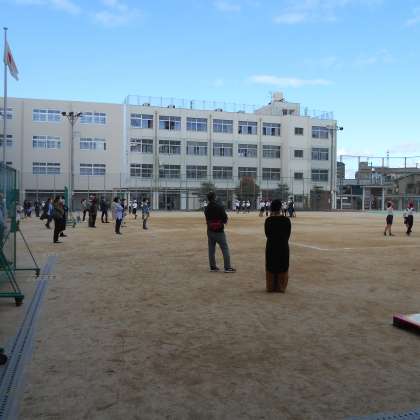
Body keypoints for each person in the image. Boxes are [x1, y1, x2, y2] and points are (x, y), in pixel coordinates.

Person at [204, 191, 236, 273]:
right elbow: (225, 218)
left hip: (210, 230)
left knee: (211, 249)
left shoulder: (206, 208)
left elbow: (207, 219)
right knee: (224, 248)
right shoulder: (220, 207)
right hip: (219, 231)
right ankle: (227, 267)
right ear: (214, 197)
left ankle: (213, 266)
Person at [264, 199, 291, 293]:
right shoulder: (286, 220)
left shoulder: (268, 220)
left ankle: (270, 286)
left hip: (271, 245)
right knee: (283, 265)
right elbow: (288, 234)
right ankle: (281, 286)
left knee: (271, 265)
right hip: (283, 245)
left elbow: (267, 234)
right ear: (280, 208)